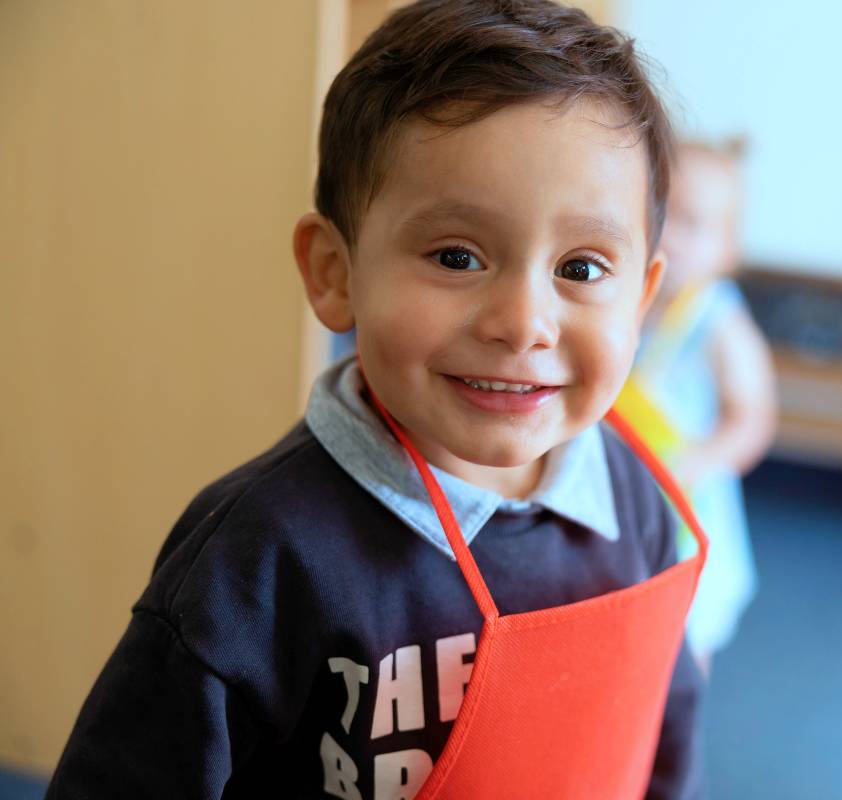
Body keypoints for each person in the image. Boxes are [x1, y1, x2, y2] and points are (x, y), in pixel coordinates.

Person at [46, 2, 707, 797]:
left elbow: (660, 725)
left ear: (642, 299)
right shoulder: (259, 557)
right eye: (457, 256)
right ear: (334, 272)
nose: (523, 324)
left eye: (582, 268)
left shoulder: (633, 497)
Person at [616, 140, 777, 670]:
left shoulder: (717, 320)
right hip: (628, 488)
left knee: (687, 633)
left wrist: (702, 460)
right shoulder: (624, 300)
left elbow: (753, 420)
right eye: (660, 212)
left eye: (693, 223)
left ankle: (683, 717)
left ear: (727, 248)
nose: (670, 235)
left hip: (688, 503)